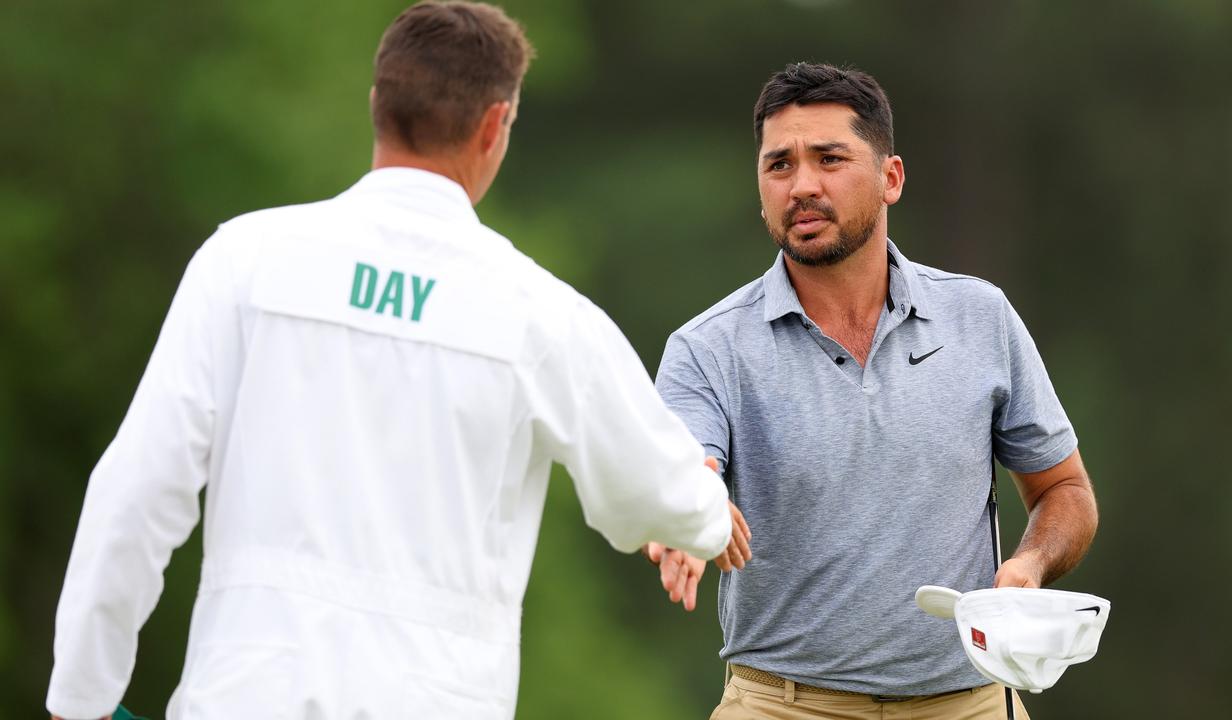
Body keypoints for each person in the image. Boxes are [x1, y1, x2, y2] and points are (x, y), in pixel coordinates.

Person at [45, 3, 751, 719]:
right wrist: (708, 522)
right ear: (493, 125)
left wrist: (81, 697)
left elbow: (134, 490)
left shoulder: (243, 261)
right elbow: (651, 489)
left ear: (378, 103)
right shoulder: (539, 311)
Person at [644, 62, 1098, 719]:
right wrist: (690, 508)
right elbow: (687, 461)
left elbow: (1066, 492)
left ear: (891, 178)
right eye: (779, 165)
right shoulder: (707, 346)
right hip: (781, 705)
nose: (802, 185)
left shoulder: (981, 317)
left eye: (829, 158)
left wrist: (1028, 567)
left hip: (967, 703)